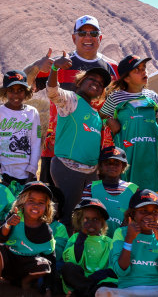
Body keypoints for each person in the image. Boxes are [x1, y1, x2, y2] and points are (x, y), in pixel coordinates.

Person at [22, 15, 118, 185]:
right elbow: (24, 84)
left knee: (92, 206)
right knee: (54, 206)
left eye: (93, 33)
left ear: (100, 38)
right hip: (56, 151)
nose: (88, 37)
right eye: (82, 33)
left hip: (95, 152)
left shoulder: (113, 69)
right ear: (74, 38)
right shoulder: (58, 64)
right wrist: (38, 66)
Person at [47, 63, 112, 228]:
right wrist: (55, 69)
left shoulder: (96, 114)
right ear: (80, 81)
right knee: (69, 216)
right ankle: (63, 252)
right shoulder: (72, 100)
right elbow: (53, 92)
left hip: (90, 173)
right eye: (92, 79)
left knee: (86, 217)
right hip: (69, 168)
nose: (96, 84)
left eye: (101, 84)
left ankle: (81, 250)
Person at [100, 55, 158, 193]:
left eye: (144, 68)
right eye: (137, 70)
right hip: (125, 161)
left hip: (150, 161)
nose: (143, 72)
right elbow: (100, 118)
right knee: (127, 201)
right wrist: (110, 122)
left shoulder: (152, 96)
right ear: (126, 78)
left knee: (151, 203)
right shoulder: (116, 98)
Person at [0, 181, 57, 297]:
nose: (35, 205)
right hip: (9, 262)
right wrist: (8, 224)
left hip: (27, 267)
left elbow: (52, 259)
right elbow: (0, 238)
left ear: (46, 207)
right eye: (31, 201)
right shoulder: (15, 217)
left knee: (45, 265)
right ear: (22, 202)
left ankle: (26, 282)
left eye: (41, 202)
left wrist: (48, 288)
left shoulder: (46, 231)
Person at [0, 70, 41, 195]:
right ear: (5, 91)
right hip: (4, 173)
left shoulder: (32, 113)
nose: (16, 94)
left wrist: (31, 172)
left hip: (27, 173)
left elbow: (36, 143)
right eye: (11, 90)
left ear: (26, 91)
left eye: (20, 90)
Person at [61, 198, 116, 297]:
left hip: (100, 280)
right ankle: (89, 291)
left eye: (95, 219)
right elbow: (71, 260)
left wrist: (99, 275)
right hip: (80, 279)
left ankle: (80, 293)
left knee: (111, 283)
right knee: (67, 268)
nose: (90, 223)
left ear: (102, 222)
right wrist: (82, 236)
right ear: (79, 220)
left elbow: (114, 266)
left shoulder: (109, 242)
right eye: (86, 219)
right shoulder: (75, 238)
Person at [83, 147, 138, 238]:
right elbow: (83, 215)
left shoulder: (133, 190)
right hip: (95, 239)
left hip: (123, 240)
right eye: (108, 163)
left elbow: (136, 218)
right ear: (100, 166)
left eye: (116, 163)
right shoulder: (91, 188)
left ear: (123, 166)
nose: (112, 166)